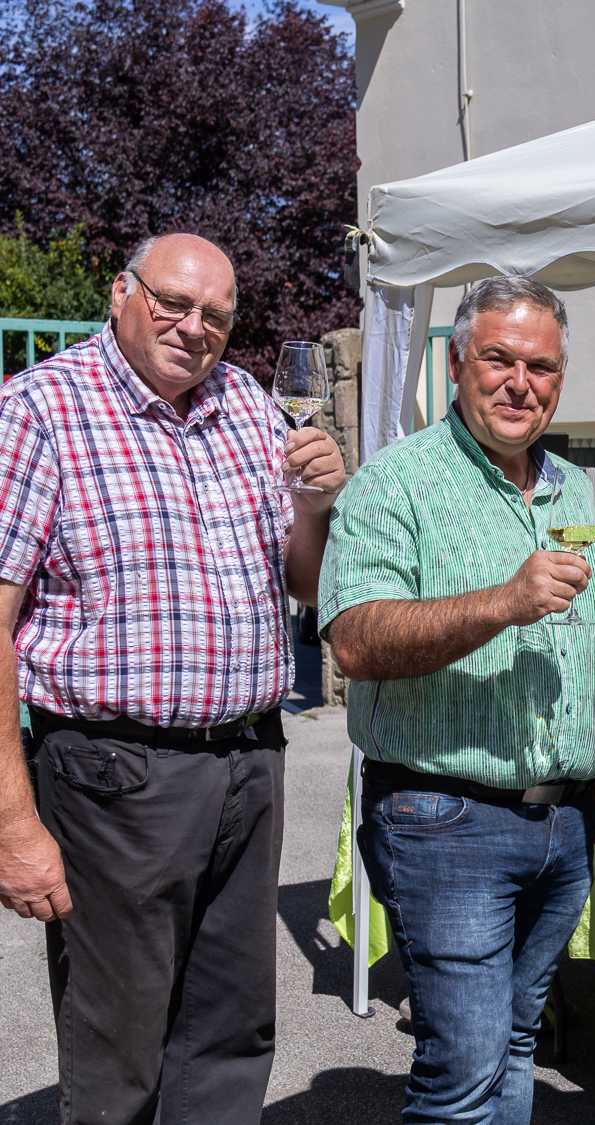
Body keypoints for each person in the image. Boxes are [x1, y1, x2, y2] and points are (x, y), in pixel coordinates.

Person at [0, 232, 346, 1124]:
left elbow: (302, 583)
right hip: (116, 777)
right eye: (173, 302)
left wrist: (316, 506)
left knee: (231, 1036)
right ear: (121, 291)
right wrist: (11, 822)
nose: (195, 328)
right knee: (118, 1049)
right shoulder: (40, 409)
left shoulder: (249, 406)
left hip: (250, 761)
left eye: (218, 316)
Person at [319, 275, 595, 1124]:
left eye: (540, 366)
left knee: (513, 1045)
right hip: (445, 816)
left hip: (562, 821)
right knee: (461, 1069)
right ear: (458, 363)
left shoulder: (582, 492)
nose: (519, 382)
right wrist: (503, 600)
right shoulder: (397, 482)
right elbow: (354, 639)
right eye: (498, 358)